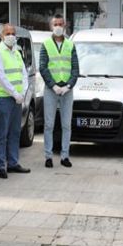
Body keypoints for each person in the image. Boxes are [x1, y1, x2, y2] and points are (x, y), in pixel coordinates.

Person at [39, 14, 80, 168]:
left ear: (65, 26)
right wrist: (53, 85)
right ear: (51, 26)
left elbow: (75, 68)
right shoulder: (46, 44)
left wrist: (68, 86)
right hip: (51, 89)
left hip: (67, 90)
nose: (58, 27)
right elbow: (43, 67)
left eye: (60, 24)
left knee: (66, 125)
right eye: (55, 24)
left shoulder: (70, 45)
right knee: (49, 124)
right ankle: (48, 157)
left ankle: (65, 156)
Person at [0, 23, 31, 178]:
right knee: (2, 134)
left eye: (13, 33)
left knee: (15, 132)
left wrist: (22, 93)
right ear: (2, 36)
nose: (11, 36)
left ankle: (13, 163)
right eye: (7, 33)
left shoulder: (16, 52)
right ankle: (1, 166)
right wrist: (15, 93)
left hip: (17, 99)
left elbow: (23, 74)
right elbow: (1, 78)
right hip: (4, 98)